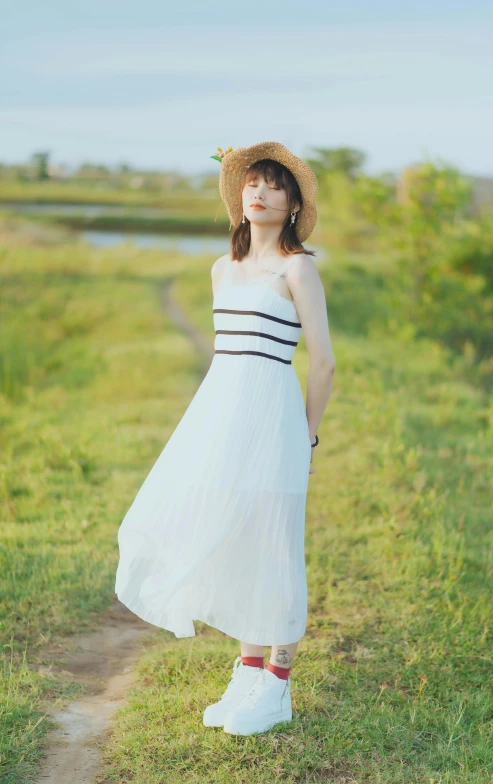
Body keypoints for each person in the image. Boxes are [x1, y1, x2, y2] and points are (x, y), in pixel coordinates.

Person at [115, 141, 336, 736]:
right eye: (251, 183)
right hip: (223, 416)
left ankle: (278, 687)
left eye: (273, 185)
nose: (258, 192)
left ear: (292, 204)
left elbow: (323, 365)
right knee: (234, 537)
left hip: (276, 421)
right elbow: (226, 361)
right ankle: (247, 669)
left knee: (275, 545)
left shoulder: (298, 268)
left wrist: (307, 439)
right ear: (239, 197)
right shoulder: (221, 269)